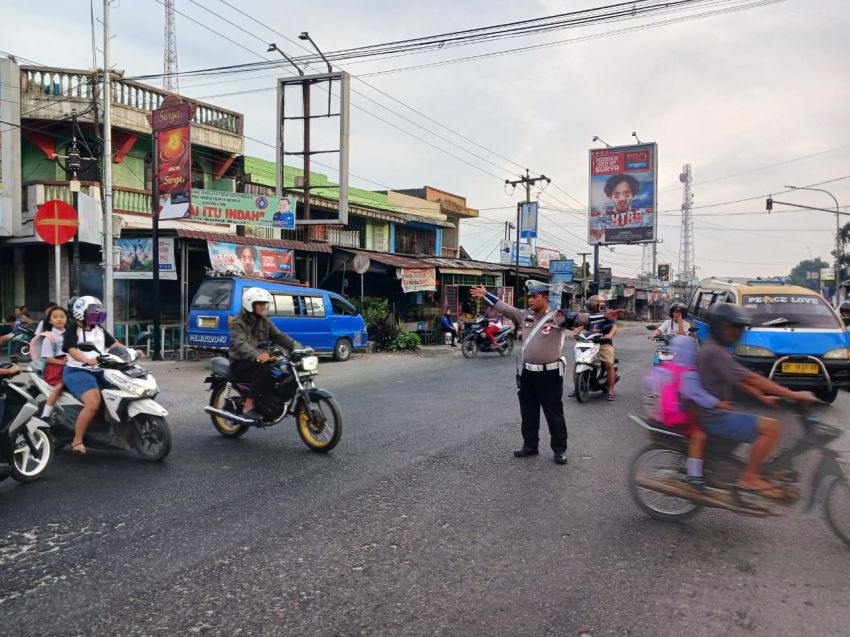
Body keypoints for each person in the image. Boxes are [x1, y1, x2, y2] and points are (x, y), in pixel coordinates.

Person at [471, 280, 622, 465]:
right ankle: (530, 445)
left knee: (554, 414)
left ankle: (559, 450)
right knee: (528, 412)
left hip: (550, 374)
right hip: (528, 374)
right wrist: (486, 294)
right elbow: (504, 308)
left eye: (535, 297)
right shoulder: (523, 315)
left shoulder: (558, 316)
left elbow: (582, 318)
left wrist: (606, 317)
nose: (530, 300)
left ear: (545, 297)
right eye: (529, 297)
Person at [696, 303, 814, 498]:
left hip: (714, 413)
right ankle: (749, 477)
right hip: (714, 418)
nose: (736, 332)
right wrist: (794, 394)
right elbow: (750, 378)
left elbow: (737, 380)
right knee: (772, 427)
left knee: (761, 423)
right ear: (718, 326)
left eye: (739, 328)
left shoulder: (715, 348)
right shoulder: (715, 352)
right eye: (731, 327)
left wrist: (762, 397)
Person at [62, 296, 140, 455]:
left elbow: (114, 344)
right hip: (78, 370)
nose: (96, 314)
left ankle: (115, 429)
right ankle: (77, 440)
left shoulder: (98, 328)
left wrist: (131, 352)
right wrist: (86, 360)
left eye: (97, 311)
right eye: (92, 312)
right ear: (80, 313)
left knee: (124, 391)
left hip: (100, 369)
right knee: (93, 402)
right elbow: (71, 349)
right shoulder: (73, 329)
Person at [664, 336, 734, 492]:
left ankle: (688, 464)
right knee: (699, 435)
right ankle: (694, 477)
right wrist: (718, 403)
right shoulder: (687, 373)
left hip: (675, 410)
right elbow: (697, 395)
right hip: (682, 414)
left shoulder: (672, 366)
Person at [229, 287, 300, 421]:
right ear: (250, 304)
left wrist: (299, 348)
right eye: (260, 304)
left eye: (264, 304)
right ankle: (248, 406)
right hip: (242, 362)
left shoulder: (265, 320)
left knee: (285, 371)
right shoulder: (238, 323)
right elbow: (240, 344)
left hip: (262, 359)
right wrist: (256, 355)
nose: (263, 307)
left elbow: (279, 336)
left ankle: (271, 401)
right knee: (264, 371)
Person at [570, 295, 618, 401]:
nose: (590, 306)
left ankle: (610, 390)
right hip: (589, 341)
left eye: (592, 304)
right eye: (589, 304)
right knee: (578, 363)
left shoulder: (608, 313)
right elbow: (582, 326)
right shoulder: (587, 315)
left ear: (599, 304)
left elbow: (614, 327)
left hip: (604, 342)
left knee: (609, 364)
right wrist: (575, 332)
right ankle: (576, 387)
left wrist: (609, 334)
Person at [35, 306, 69, 419]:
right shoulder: (49, 337)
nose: (59, 319)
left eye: (62, 316)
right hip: (55, 368)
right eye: (55, 317)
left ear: (66, 319)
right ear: (50, 321)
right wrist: (63, 363)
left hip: (70, 364)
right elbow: (47, 358)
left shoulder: (71, 334)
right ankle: (46, 414)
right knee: (60, 386)